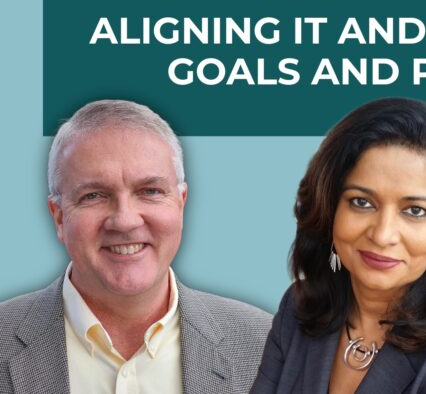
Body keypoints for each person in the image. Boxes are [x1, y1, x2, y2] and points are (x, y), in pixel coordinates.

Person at [250, 98, 426, 393]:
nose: (383, 235)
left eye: (414, 211)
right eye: (361, 202)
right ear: (330, 208)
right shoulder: (299, 308)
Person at [0, 100, 272, 394]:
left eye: (150, 191)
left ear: (181, 203)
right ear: (59, 216)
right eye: (94, 195)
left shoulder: (264, 345)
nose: (125, 221)